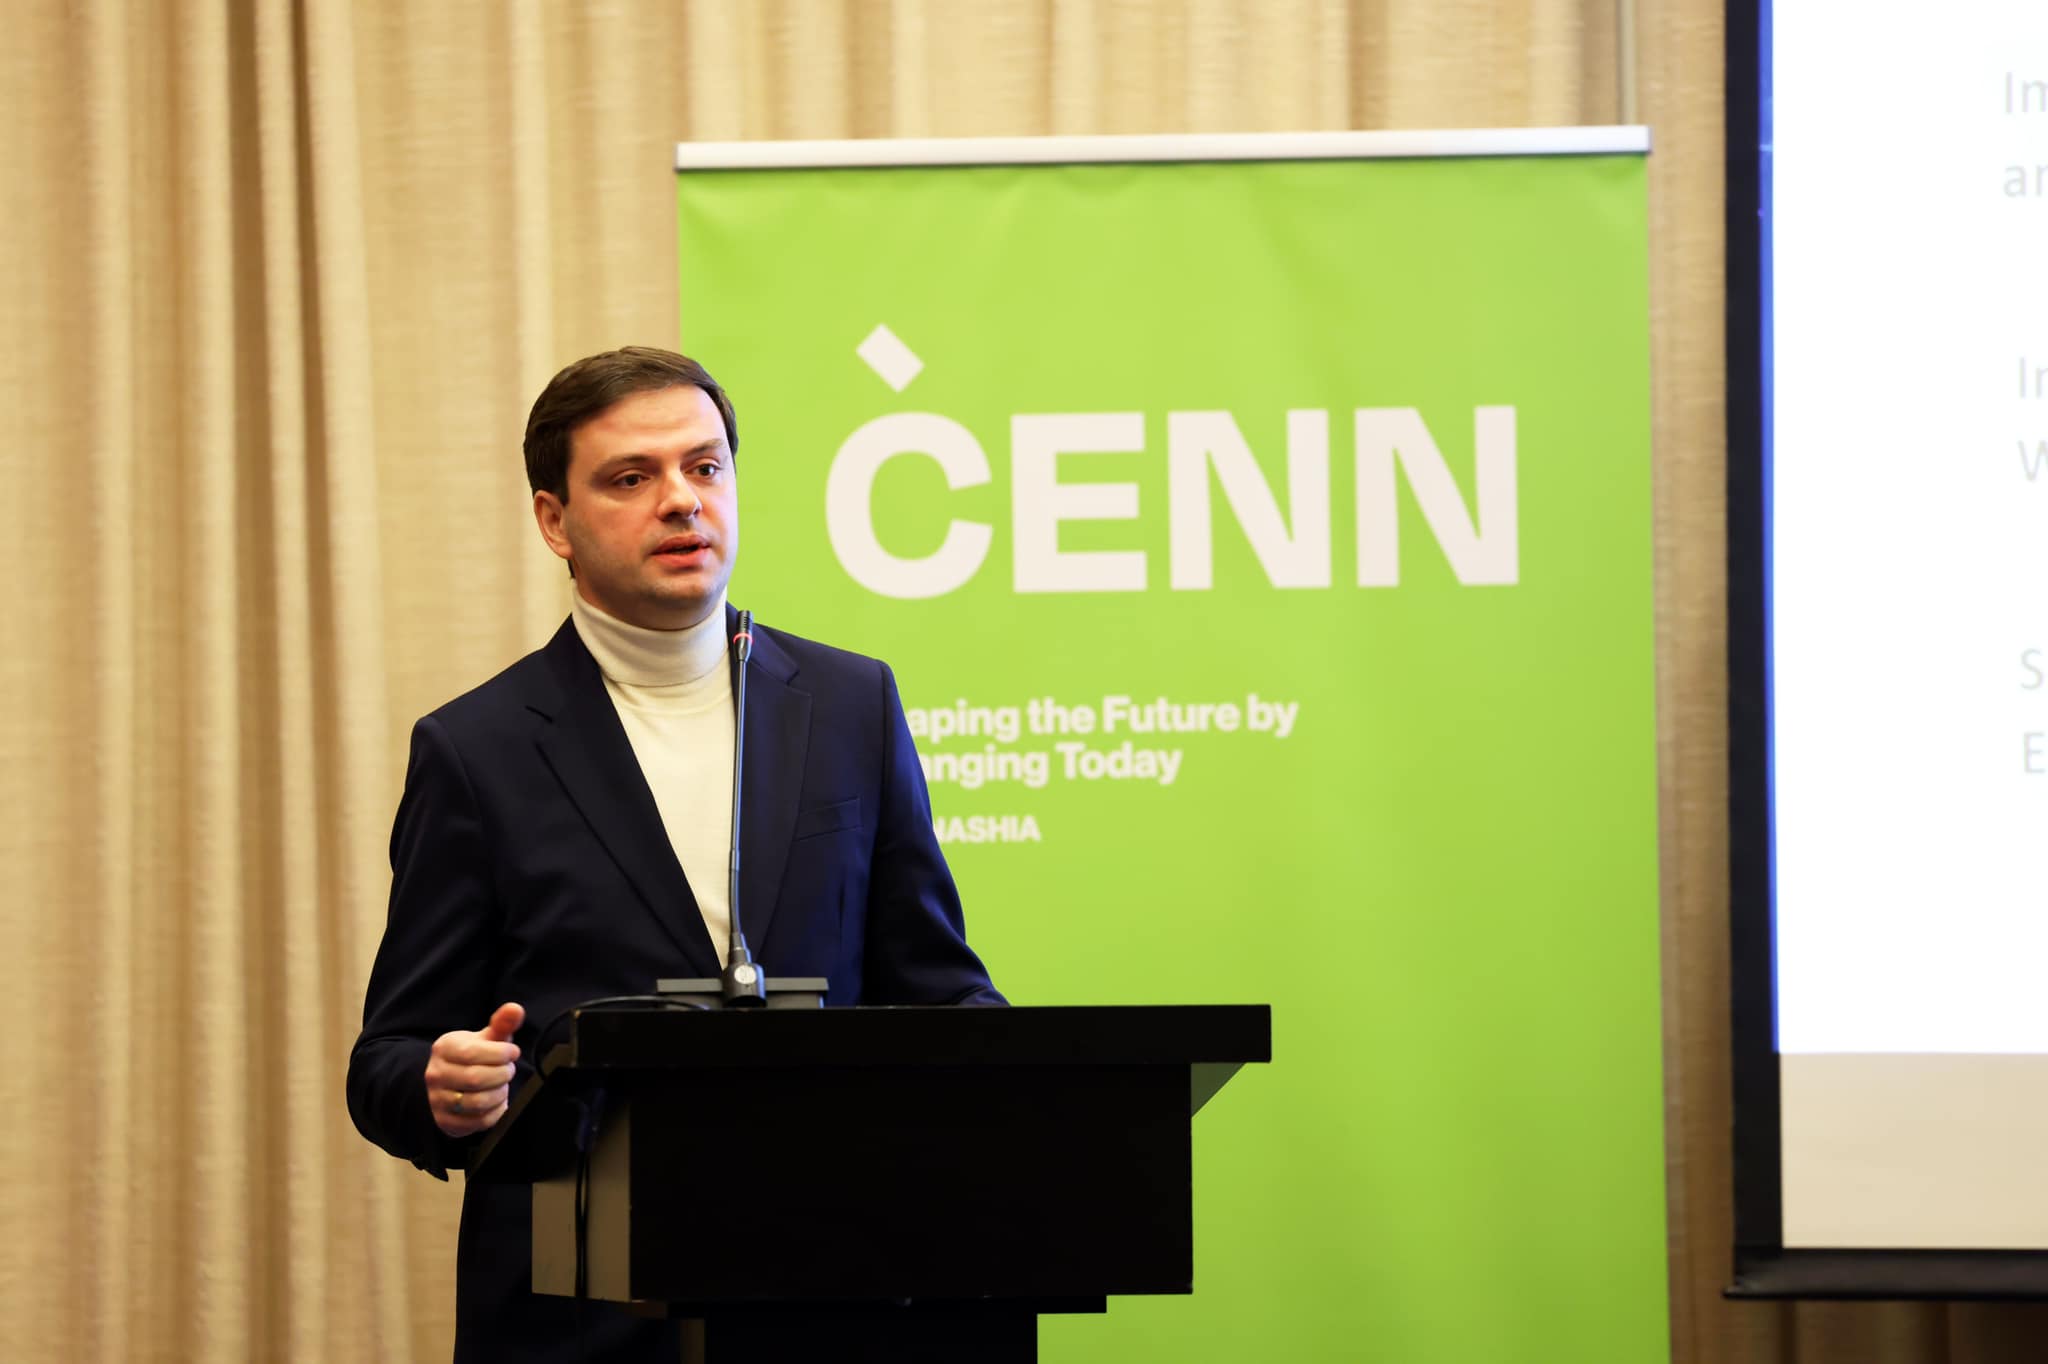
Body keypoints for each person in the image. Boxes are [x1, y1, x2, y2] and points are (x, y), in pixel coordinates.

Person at [346, 346, 1004, 1361]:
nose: (682, 500)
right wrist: (440, 1084)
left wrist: (1033, 1090)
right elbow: (388, 1055)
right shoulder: (476, 750)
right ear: (554, 521)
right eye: (630, 477)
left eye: (705, 467)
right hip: (581, 1314)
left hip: (832, 1293)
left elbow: (938, 986)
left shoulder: (850, 706)